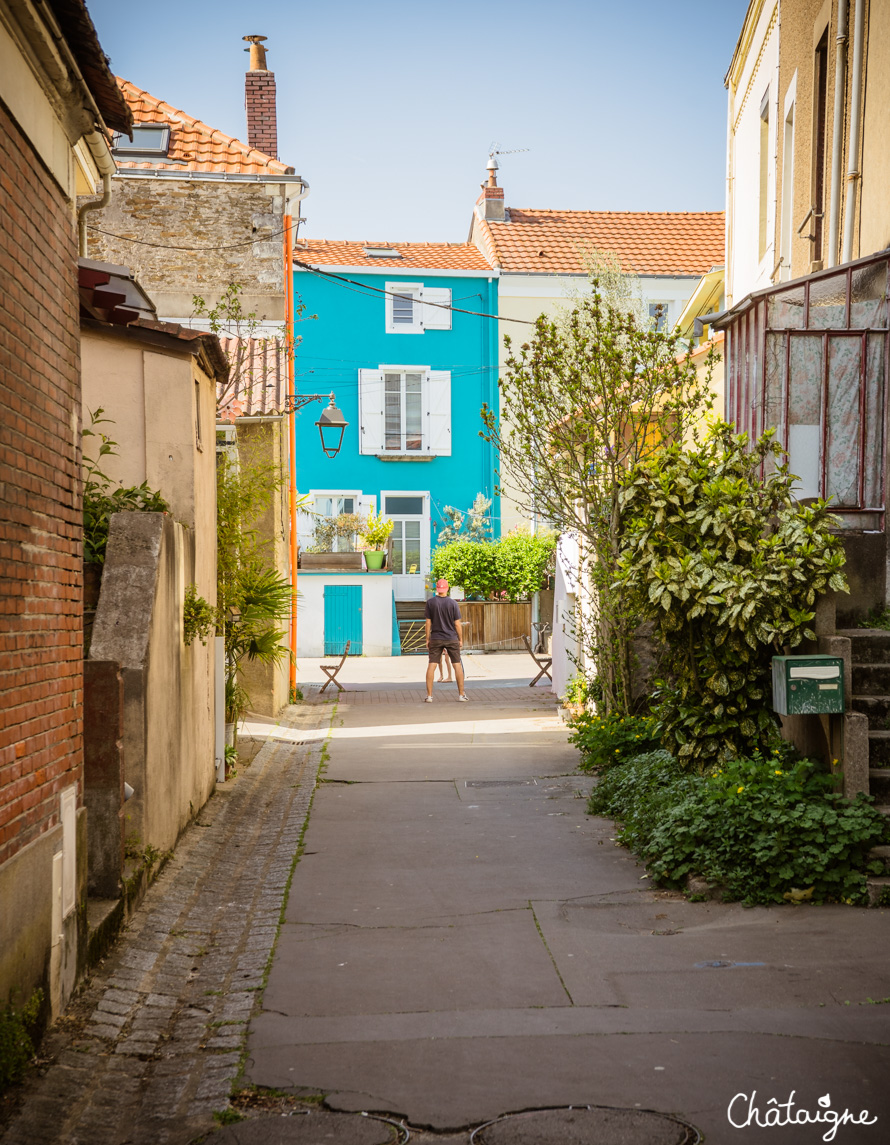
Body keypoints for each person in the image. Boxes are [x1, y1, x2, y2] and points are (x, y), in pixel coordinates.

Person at [424, 579, 467, 702]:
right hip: (451, 637)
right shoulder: (453, 603)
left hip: (436, 637)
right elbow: (457, 624)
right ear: (447, 588)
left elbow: (428, 623)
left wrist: (427, 639)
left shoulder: (430, 603)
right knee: (456, 664)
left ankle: (429, 696)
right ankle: (461, 695)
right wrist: (460, 639)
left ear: (437, 589)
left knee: (432, 665)